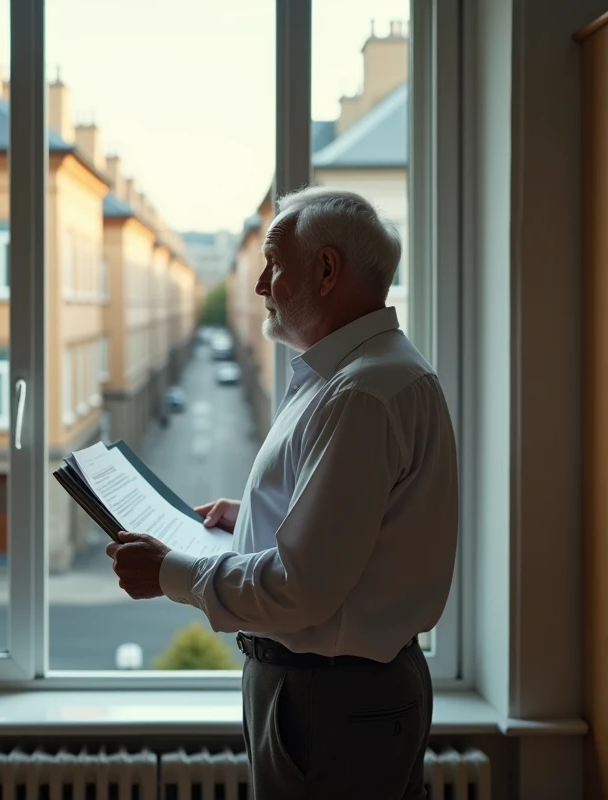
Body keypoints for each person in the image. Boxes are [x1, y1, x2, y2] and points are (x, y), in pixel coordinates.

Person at [107, 186, 458, 799]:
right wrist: (249, 519)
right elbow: (361, 531)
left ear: (325, 271)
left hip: (332, 702)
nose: (260, 285)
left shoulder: (359, 395)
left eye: (275, 263)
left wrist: (169, 574)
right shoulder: (362, 376)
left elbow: (305, 588)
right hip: (337, 696)